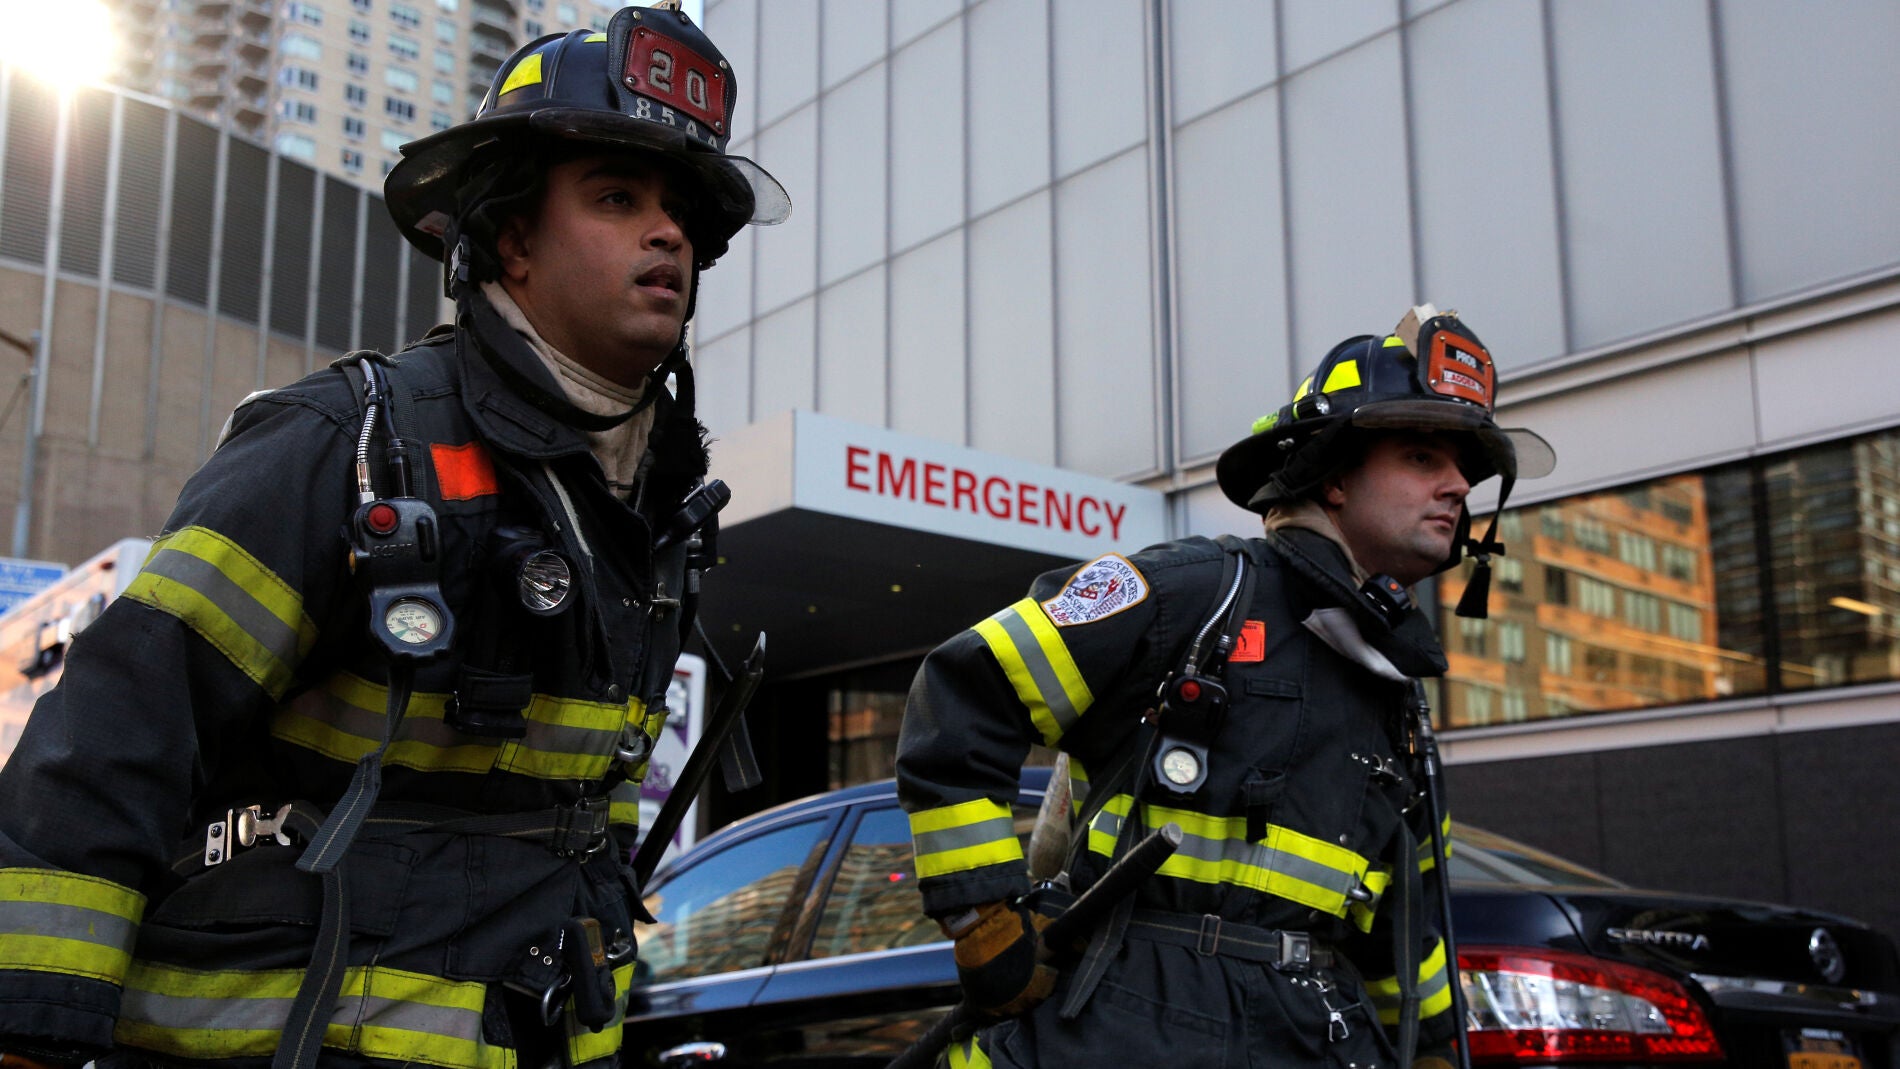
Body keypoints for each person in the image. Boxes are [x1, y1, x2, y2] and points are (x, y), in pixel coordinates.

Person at [0, 5, 787, 1068]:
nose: (669, 236)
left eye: (682, 215)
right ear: (511, 237)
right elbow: (118, 734)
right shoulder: (346, 444)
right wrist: (30, 1029)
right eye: (617, 197)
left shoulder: (652, 505)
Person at [896, 307, 1555, 1068]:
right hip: (1121, 1013)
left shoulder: (1393, 692)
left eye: (1466, 471)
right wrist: (984, 916)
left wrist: (1437, 1046)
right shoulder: (1192, 594)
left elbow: (1406, 916)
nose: (1457, 485)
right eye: (1421, 456)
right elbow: (965, 686)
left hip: (1310, 1028)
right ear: (1333, 475)